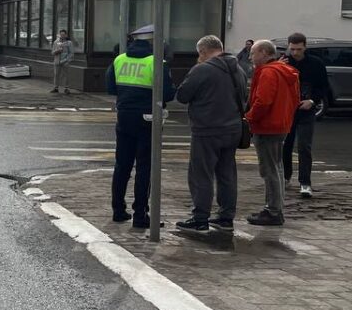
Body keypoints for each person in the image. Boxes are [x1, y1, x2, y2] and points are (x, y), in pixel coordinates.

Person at [174, 35, 248, 234]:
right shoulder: (238, 69)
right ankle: (226, 217)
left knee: (201, 174)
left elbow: (182, 95)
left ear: (203, 51)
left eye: (200, 54)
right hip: (233, 130)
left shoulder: (202, 69)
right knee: (227, 174)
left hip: (207, 129)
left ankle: (200, 218)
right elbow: (244, 97)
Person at [105, 24, 175, 229]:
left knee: (122, 166)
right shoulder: (156, 63)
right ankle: (140, 215)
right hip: (148, 118)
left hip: (124, 116)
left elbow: (110, 88)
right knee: (145, 167)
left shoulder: (119, 59)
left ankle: (118, 210)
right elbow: (167, 93)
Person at [245, 39, 300, 226]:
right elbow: (295, 99)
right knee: (276, 168)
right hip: (280, 124)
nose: (250, 57)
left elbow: (263, 101)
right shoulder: (285, 71)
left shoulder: (269, 72)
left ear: (264, 53)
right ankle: (275, 208)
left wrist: (249, 117)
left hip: (267, 126)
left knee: (269, 169)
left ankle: (273, 210)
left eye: (253, 53)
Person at [282, 32, 329, 199]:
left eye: (299, 49)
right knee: (285, 145)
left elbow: (323, 87)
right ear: (288, 46)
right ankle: (285, 177)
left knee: (304, 146)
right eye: (292, 49)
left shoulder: (315, 64)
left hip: (306, 110)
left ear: (305, 47)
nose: (295, 53)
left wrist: (312, 100)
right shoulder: (283, 62)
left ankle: (305, 182)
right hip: (287, 110)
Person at [51, 29, 73, 94]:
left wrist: (67, 60)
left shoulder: (69, 43)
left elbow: (71, 53)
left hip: (65, 62)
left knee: (66, 75)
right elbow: (52, 52)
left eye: (63, 34)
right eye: (61, 34)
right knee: (56, 75)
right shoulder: (56, 42)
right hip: (57, 61)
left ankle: (66, 88)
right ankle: (56, 88)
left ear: (66, 35)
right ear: (59, 34)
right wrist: (57, 51)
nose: (62, 36)